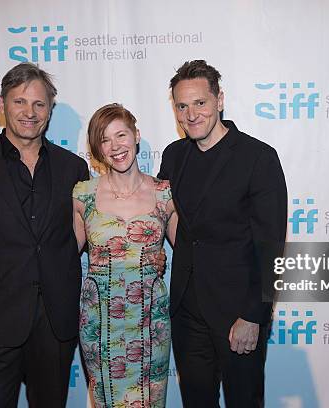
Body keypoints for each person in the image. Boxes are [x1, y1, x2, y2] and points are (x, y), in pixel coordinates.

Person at [0, 62, 90, 407]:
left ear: (49, 110)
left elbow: (77, 241)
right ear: (2, 104)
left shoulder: (74, 168)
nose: (30, 112)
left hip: (56, 325)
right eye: (20, 102)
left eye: (39, 104)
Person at [157, 59, 287, 407]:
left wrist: (253, 315)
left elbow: (272, 247)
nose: (191, 114)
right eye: (182, 106)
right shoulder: (174, 156)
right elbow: (168, 220)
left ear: (220, 100)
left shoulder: (257, 157)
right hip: (186, 310)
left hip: (237, 312)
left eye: (200, 103)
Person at [72, 104, 176, 408]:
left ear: (137, 136)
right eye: (105, 140)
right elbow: (60, 257)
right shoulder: (83, 195)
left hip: (151, 320)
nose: (116, 146)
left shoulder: (164, 193)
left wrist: (162, 259)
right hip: (100, 321)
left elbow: (194, 252)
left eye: (121, 135)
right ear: (98, 149)